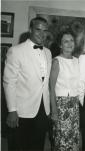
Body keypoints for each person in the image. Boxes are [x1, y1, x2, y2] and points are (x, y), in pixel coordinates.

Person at [3, 17, 51, 151]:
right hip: (22, 110)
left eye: (45, 30)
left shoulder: (48, 52)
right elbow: (9, 82)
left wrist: (48, 109)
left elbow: (45, 83)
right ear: (30, 30)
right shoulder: (16, 51)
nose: (42, 34)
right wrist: (12, 110)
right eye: (38, 30)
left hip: (42, 110)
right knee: (19, 146)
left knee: (37, 146)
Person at [49, 31, 80, 151]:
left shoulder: (77, 60)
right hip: (61, 105)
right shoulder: (56, 61)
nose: (69, 43)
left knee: (73, 140)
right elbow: (51, 88)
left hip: (74, 105)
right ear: (60, 45)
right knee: (62, 140)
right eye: (65, 41)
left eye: (71, 40)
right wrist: (54, 111)